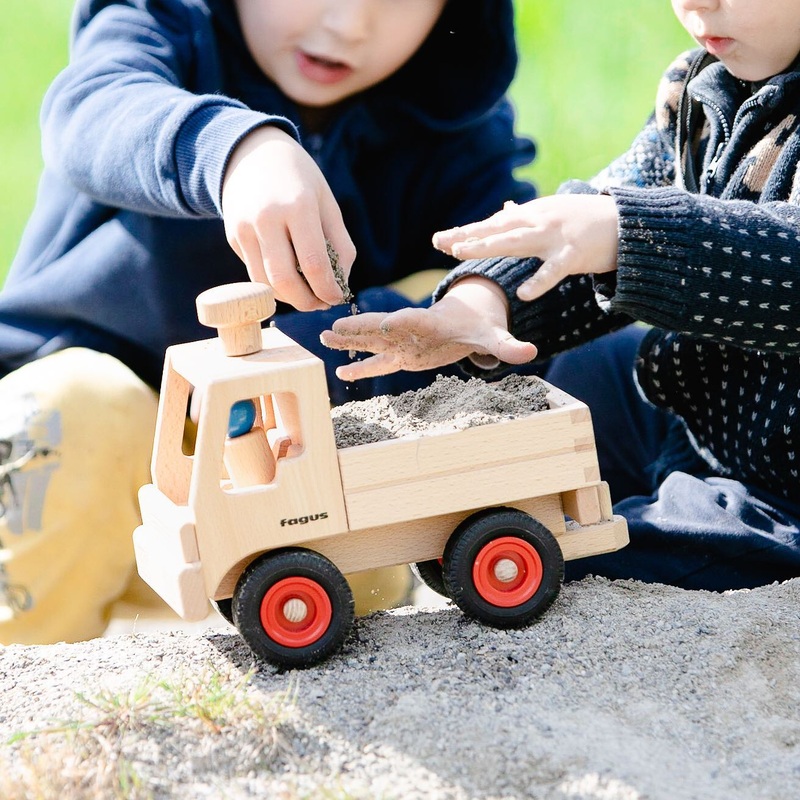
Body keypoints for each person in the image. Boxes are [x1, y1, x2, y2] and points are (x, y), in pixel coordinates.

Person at [0, 0, 537, 644]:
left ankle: (356, 645)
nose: (348, 26)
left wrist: (466, 301)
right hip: (107, 453)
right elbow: (91, 106)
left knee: (463, 297)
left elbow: (509, 255)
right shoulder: (168, 21)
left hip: (287, 471)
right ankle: (24, 671)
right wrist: (235, 150)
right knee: (74, 410)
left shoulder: (447, 110)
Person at [323, 0, 800, 592]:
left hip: (783, 483)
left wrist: (628, 235)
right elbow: (596, 220)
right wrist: (488, 298)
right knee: (578, 378)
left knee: (575, 554)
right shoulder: (701, 84)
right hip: (706, 413)